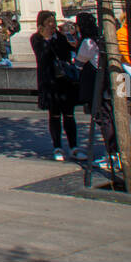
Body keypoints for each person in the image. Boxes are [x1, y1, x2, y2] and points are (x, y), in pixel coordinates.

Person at [30, 10, 82, 161]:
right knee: (54, 115)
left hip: (65, 81)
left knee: (69, 115)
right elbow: (42, 57)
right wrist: (47, 39)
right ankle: (57, 147)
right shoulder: (36, 39)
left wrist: (70, 37)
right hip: (50, 81)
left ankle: (74, 146)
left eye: (53, 21)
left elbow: (72, 50)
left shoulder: (61, 37)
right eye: (49, 22)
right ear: (41, 24)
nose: (52, 25)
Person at [73, 12, 119, 168]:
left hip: (98, 85)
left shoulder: (88, 42)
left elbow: (79, 63)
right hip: (113, 81)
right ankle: (116, 153)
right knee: (112, 117)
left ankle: (112, 155)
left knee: (103, 118)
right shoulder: (102, 39)